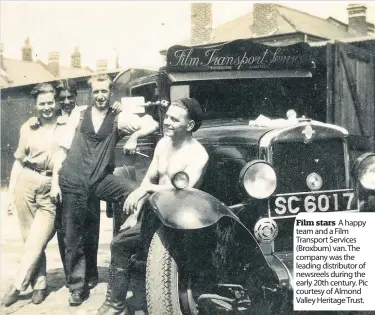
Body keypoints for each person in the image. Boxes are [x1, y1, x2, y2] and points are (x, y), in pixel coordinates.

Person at [50, 74, 159, 306]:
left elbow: (152, 123)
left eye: (104, 91)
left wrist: (135, 136)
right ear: (91, 93)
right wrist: (54, 183)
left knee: (138, 192)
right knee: (73, 236)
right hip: (74, 180)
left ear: (111, 93)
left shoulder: (118, 117)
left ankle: (127, 248)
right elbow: (61, 150)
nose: (100, 96)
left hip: (101, 179)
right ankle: (77, 287)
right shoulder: (78, 116)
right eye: (96, 92)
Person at [96, 97, 209, 315]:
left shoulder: (198, 154)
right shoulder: (163, 144)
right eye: (167, 117)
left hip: (178, 220)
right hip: (153, 213)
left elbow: (182, 191)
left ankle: (121, 304)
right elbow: (148, 181)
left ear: (190, 125)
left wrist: (143, 190)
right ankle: (116, 305)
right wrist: (135, 214)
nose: (167, 122)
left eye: (175, 120)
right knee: (120, 242)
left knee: (124, 245)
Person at [2, 83, 65, 307]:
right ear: (35, 105)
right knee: (30, 240)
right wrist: (10, 195)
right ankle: (40, 284)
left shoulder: (67, 125)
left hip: (51, 186)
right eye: (42, 103)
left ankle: (18, 285)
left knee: (37, 239)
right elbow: (19, 162)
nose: (47, 107)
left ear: (56, 103)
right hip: (26, 184)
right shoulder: (28, 128)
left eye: (50, 102)